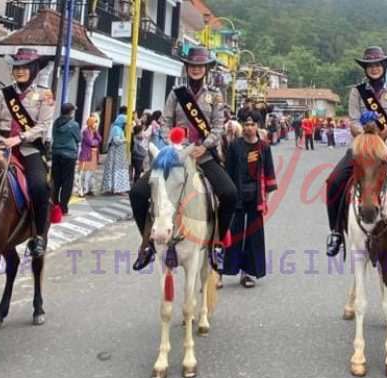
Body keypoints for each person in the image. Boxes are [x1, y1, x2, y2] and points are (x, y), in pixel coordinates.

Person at [129, 46, 237, 270]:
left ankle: (217, 244)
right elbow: (166, 122)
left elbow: (218, 127)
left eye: (200, 66)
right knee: (138, 193)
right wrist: (174, 144)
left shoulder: (216, 95)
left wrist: (203, 146)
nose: (196, 69)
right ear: (187, 67)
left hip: (203, 155)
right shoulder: (176, 93)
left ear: (206, 68)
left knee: (229, 194)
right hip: (176, 155)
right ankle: (147, 243)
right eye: (192, 65)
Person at [325, 46, 387, 263]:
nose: (374, 68)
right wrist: (366, 141)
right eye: (370, 65)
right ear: (365, 68)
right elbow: (354, 121)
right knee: (334, 181)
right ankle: (335, 232)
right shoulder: (357, 92)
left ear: (384, 66)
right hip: (362, 149)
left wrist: (383, 145)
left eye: (378, 64)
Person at [0, 47, 54, 257]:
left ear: (34, 69)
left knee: (39, 186)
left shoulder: (45, 95)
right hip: (0, 146)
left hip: (28, 148)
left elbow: (43, 125)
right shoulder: (3, 94)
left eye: (25, 67)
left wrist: (20, 138)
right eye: (16, 68)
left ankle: (38, 235)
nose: (20, 71)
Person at [222, 114, 278, 288]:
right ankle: (224, 271)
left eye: (252, 124)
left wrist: (265, 198)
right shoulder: (234, 146)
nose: (248, 128)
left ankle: (247, 274)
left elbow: (269, 171)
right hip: (237, 195)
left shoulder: (264, 147)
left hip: (256, 196)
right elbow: (228, 171)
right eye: (246, 124)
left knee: (253, 236)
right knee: (234, 233)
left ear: (257, 126)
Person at [51, 103, 81, 215]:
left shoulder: (56, 122)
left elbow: (53, 136)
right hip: (69, 156)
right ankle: (63, 208)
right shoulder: (74, 125)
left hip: (56, 153)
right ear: (70, 112)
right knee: (67, 183)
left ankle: (54, 205)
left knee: (56, 181)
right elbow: (78, 138)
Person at [102, 106, 131, 194]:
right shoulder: (117, 129)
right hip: (116, 153)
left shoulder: (118, 128)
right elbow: (116, 140)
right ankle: (115, 188)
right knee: (116, 169)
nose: (125, 125)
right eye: (124, 123)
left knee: (117, 169)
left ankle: (116, 188)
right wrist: (125, 140)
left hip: (119, 153)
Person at [77, 114, 101, 197]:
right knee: (83, 173)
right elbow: (90, 142)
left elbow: (99, 139)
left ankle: (88, 189)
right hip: (86, 155)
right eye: (95, 122)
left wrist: (96, 133)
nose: (96, 124)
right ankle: (82, 190)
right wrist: (95, 142)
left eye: (96, 122)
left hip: (93, 155)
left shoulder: (94, 131)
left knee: (90, 173)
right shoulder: (86, 131)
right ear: (91, 123)